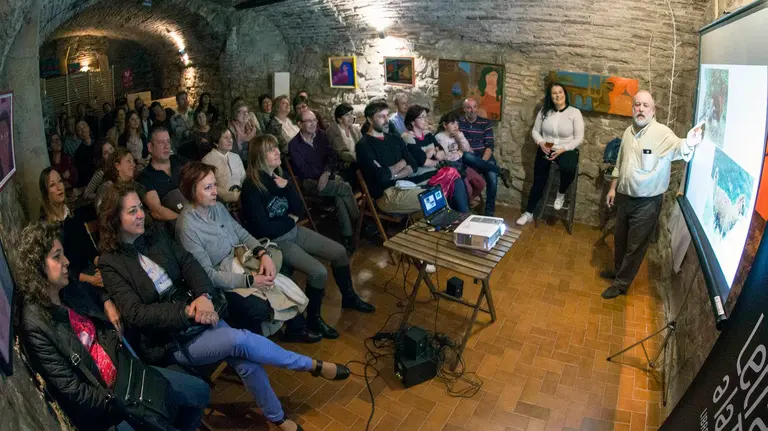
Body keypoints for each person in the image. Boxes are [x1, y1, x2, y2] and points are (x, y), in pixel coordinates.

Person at [98, 182, 350, 431]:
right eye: (132, 211)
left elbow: (189, 263)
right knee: (240, 340)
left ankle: (277, 418)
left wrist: (204, 295)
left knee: (247, 364)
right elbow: (136, 313)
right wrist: (188, 311)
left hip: (200, 311)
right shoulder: (111, 262)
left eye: (140, 207)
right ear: (114, 218)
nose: (141, 214)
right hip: (171, 338)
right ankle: (310, 365)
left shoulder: (155, 235)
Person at [17, 222, 210, 431]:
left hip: (127, 372)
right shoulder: (36, 324)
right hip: (109, 407)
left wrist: (107, 301)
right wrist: (118, 405)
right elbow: (75, 392)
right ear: (37, 266)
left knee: (200, 392)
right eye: (57, 257)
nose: (66, 261)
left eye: (62, 254)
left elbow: (91, 289)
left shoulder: (66, 291)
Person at [242, 135, 375, 338]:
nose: (278, 151)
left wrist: (287, 187)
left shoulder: (279, 178)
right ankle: (314, 319)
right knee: (319, 272)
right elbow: (262, 228)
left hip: (293, 232)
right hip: (276, 242)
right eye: (271, 150)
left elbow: (299, 209)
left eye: (276, 147)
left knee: (339, 252)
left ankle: (349, 298)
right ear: (259, 156)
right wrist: (290, 220)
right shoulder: (252, 187)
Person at [175, 162, 321, 343]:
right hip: (224, 278)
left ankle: (296, 328)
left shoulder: (217, 208)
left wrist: (263, 254)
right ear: (191, 191)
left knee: (276, 274)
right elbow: (209, 275)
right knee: (258, 306)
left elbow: (242, 233)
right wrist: (251, 280)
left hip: (242, 259)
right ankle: (257, 344)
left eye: (214, 185)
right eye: (208, 187)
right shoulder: (187, 227)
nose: (215, 191)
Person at [600, 90, 704, 299]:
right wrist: (612, 188)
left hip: (647, 203)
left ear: (653, 110)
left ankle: (621, 284)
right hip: (625, 197)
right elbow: (619, 163)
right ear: (633, 109)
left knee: (635, 246)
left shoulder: (662, 133)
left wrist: (690, 141)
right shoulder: (629, 132)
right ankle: (619, 271)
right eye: (637, 105)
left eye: (645, 105)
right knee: (620, 239)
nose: (640, 109)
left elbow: (679, 147)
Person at [356, 99, 469, 214]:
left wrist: (393, 172)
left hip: (407, 185)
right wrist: (403, 163)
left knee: (452, 185)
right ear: (370, 120)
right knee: (435, 197)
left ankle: (463, 220)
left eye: (387, 116)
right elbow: (381, 177)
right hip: (386, 193)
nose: (386, 121)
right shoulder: (363, 145)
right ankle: (457, 224)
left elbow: (413, 164)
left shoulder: (394, 138)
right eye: (381, 117)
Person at [288, 110, 360, 251]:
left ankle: (348, 237)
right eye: (309, 121)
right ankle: (358, 219)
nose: (313, 123)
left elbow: (332, 157)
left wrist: (326, 173)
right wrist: (323, 175)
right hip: (309, 183)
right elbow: (303, 170)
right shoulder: (294, 145)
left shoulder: (321, 135)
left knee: (339, 196)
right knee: (343, 187)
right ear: (299, 124)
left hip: (328, 178)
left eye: (314, 120)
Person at [517, 83, 585, 226]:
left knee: (568, 168)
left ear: (565, 94)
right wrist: (541, 142)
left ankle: (561, 193)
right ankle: (529, 212)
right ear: (550, 96)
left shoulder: (574, 113)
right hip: (547, 146)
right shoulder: (544, 111)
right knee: (538, 180)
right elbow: (535, 131)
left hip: (566, 148)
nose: (558, 95)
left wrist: (563, 149)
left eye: (560, 92)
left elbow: (579, 138)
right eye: (554, 93)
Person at [39, 168, 102, 288]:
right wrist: (91, 279)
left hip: (90, 270)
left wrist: (101, 266)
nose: (59, 187)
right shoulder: (45, 227)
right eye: (52, 185)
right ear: (46, 193)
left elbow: (89, 247)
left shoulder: (74, 214)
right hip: (71, 281)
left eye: (60, 181)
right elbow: (60, 267)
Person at [458, 97, 512, 216]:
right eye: (469, 107)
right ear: (464, 109)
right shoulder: (459, 123)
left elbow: (489, 147)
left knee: (492, 178)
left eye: (475, 107)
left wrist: (481, 163)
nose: (472, 110)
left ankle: (489, 212)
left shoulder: (486, 123)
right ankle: (501, 171)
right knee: (467, 157)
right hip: (468, 158)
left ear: (478, 108)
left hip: (484, 157)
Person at [137, 127, 188, 221]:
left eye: (168, 142)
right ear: (150, 147)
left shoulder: (180, 160)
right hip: (177, 225)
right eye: (161, 142)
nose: (167, 146)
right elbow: (157, 211)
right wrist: (187, 223)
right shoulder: (145, 177)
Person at [434, 111, 486, 200]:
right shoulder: (440, 137)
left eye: (457, 124)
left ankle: (468, 201)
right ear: (444, 125)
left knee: (480, 183)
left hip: (462, 163)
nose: (456, 126)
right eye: (452, 123)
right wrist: (459, 153)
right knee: (468, 190)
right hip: (453, 167)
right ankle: (464, 205)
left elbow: (467, 150)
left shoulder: (456, 135)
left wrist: (459, 138)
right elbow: (446, 156)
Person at [200, 125, 245, 203]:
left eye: (231, 137)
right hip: (221, 203)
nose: (230, 140)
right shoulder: (207, 160)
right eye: (225, 138)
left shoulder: (236, 157)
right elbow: (210, 187)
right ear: (216, 142)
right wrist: (233, 197)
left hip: (242, 199)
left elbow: (244, 179)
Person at [95, 148, 144, 212]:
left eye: (133, 161)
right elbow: (103, 216)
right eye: (129, 161)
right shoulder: (106, 189)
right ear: (117, 166)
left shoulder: (138, 187)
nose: (134, 165)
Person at [402, 105, 442, 169]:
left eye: (426, 116)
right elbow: (421, 161)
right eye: (422, 117)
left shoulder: (428, 134)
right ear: (412, 121)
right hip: (423, 176)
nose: (426, 120)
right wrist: (438, 160)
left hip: (436, 171)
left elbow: (442, 152)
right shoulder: (408, 137)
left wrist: (432, 152)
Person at [229, 99, 260, 166]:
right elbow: (234, 153)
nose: (246, 114)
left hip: (254, 161)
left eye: (246, 111)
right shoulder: (230, 130)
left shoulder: (252, 127)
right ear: (235, 114)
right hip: (239, 162)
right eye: (241, 112)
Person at [73, 120, 98, 189]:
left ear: (88, 127)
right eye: (79, 129)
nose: (83, 129)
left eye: (84, 125)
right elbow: (83, 174)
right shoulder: (78, 153)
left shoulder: (99, 142)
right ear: (78, 134)